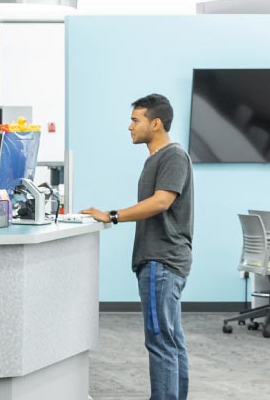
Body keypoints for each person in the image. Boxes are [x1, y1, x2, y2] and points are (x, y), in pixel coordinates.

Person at [83, 94, 194, 400]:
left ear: (155, 123)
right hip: (159, 260)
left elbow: (162, 202)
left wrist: (113, 215)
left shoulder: (172, 156)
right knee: (171, 340)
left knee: (160, 340)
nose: (129, 126)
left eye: (136, 120)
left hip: (162, 260)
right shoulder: (156, 158)